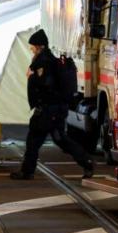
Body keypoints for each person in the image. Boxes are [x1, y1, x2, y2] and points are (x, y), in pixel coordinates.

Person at [10, 29, 94, 180]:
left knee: (34, 140)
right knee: (60, 140)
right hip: (56, 110)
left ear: (40, 47)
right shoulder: (50, 60)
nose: (31, 50)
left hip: (48, 111)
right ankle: (86, 161)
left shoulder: (43, 62)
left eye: (33, 47)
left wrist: (32, 76)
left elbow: (45, 84)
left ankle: (27, 171)